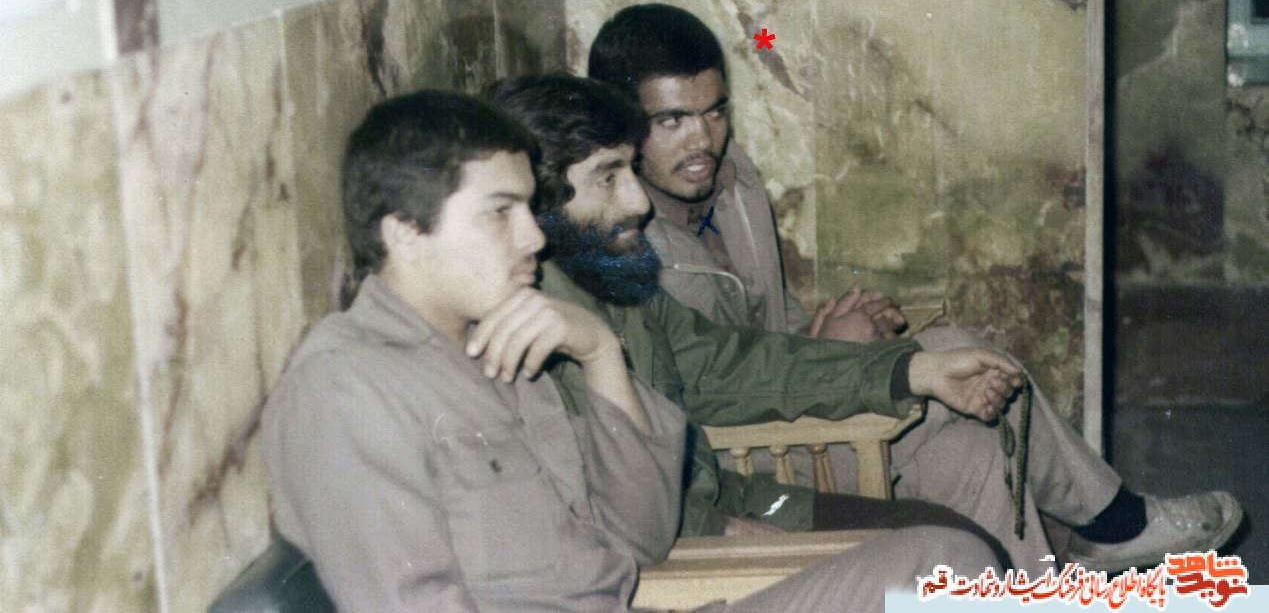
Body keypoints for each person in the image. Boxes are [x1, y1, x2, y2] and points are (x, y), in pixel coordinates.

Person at [261, 89, 999, 613]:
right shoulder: (348, 389)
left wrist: (599, 354)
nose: (533, 236)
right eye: (500, 213)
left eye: (528, 207)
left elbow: (638, 537)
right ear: (404, 234)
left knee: (948, 566)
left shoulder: (504, 343)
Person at [586, 2, 1244, 574]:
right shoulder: (624, 247)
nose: (702, 139)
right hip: (749, 455)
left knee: (972, 449)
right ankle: (1115, 521)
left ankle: (1033, 590)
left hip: (793, 395)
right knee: (958, 350)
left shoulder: (731, 179)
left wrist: (825, 331)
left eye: (714, 112)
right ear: (619, 124)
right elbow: (693, 396)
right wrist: (831, 351)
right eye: (671, 121)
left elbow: (762, 331)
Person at [490, 74, 1019, 560]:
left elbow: (738, 364)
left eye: (630, 169)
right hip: (684, 547)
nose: (638, 201)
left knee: (955, 537)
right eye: (608, 178)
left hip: (735, 500)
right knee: (948, 558)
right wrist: (716, 530)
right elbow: (588, 505)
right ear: (537, 196)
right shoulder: (527, 327)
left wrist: (911, 371)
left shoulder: (611, 280)